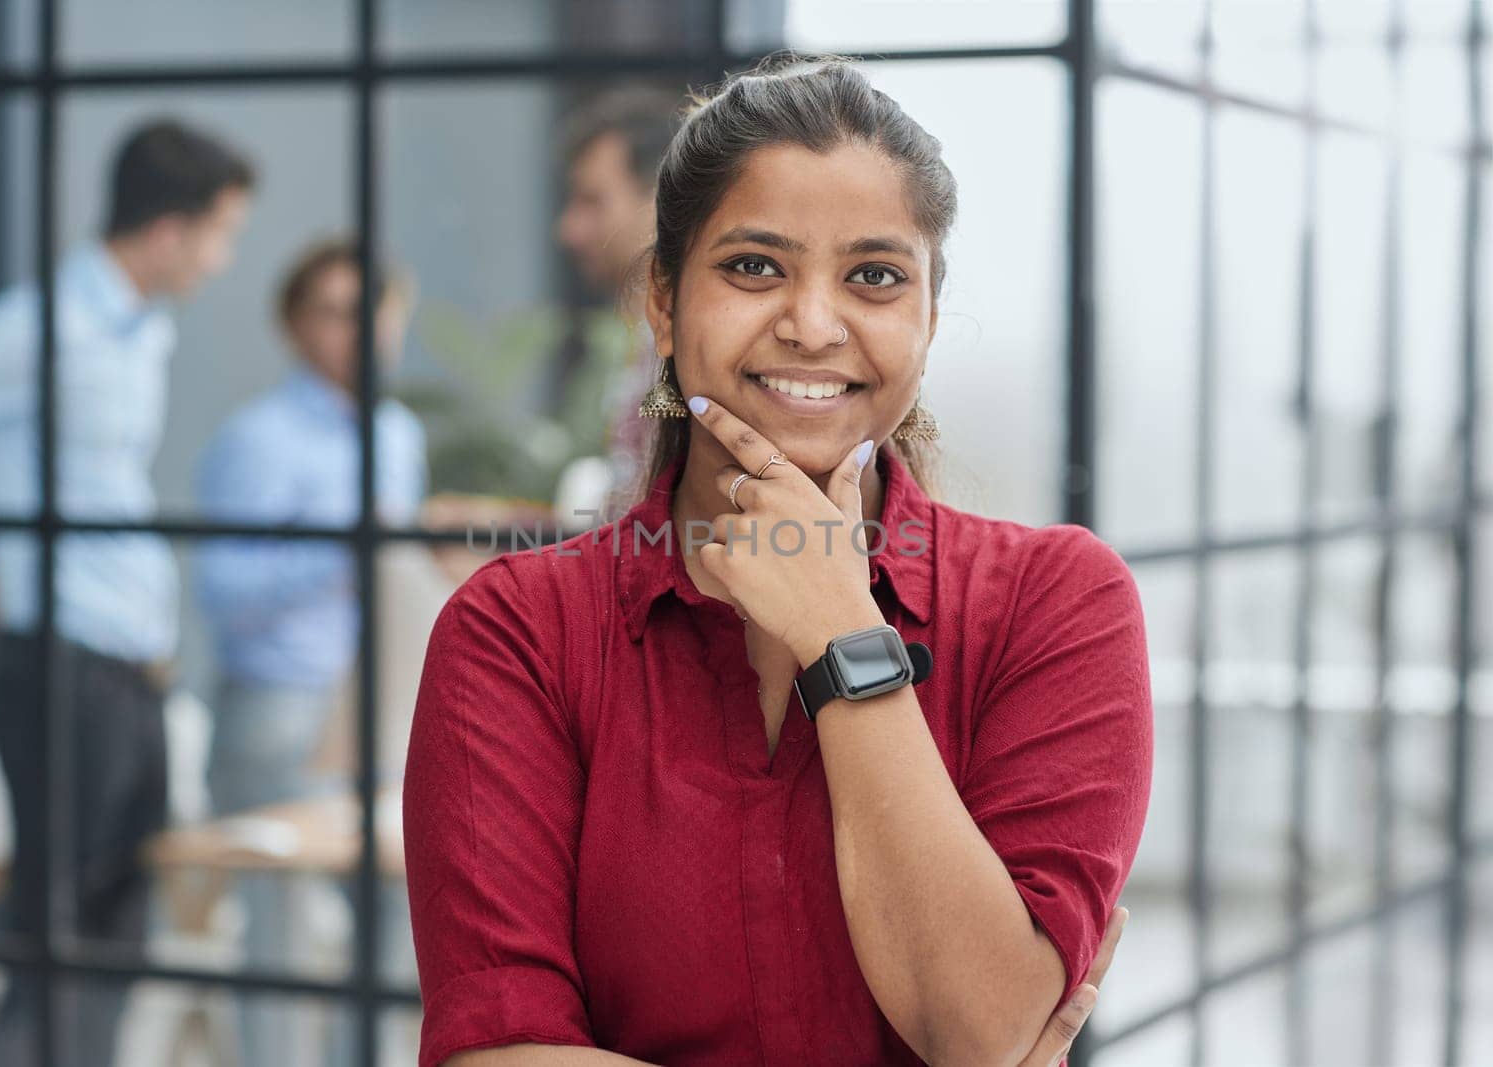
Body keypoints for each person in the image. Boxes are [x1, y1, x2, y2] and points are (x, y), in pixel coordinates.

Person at [403, 55, 1151, 1067]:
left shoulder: (1057, 603)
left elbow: (975, 1027)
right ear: (663, 304)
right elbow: (501, 1054)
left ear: (928, 316)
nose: (810, 324)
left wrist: (844, 635)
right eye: (754, 266)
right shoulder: (518, 631)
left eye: (875, 277)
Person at [0, 117, 255, 1067]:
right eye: (221, 234)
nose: (222, 261)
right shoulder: (44, 326)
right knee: (57, 946)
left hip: (128, 675)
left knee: (116, 941)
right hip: (61, 668)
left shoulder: (142, 331)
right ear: (171, 230)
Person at [193, 236, 426, 1067]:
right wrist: (345, 544)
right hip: (282, 704)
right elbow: (223, 592)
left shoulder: (397, 434)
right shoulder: (260, 438)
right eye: (333, 312)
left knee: (409, 910)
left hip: (380, 706)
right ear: (294, 327)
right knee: (282, 937)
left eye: (374, 311)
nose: (356, 330)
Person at [554, 88, 684, 523]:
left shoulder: (686, 346)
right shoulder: (644, 338)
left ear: (657, 201)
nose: (569, 230)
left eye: (592, 201)